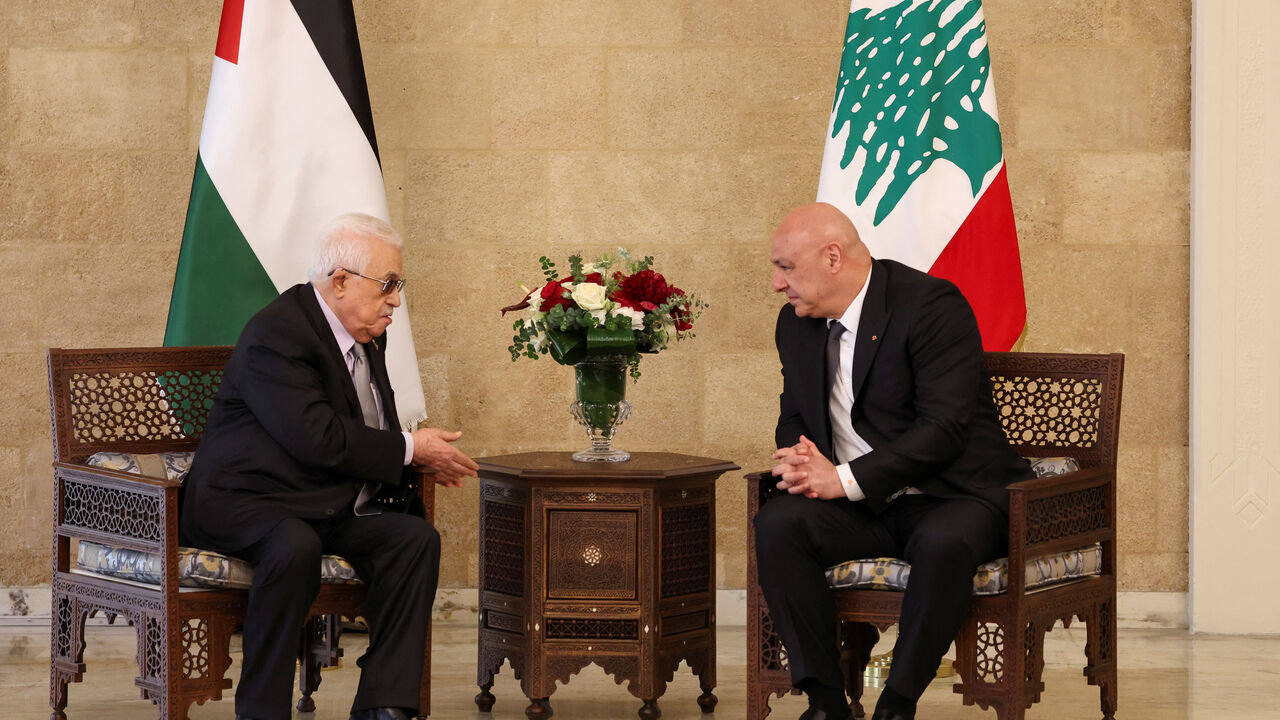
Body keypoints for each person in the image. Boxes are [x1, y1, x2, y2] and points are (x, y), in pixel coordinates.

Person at [180, 213, 479, 720]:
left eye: (398, 285)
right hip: (247, 501)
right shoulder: (278, 333)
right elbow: (316, 437)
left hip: (319, 501)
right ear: (340, 281)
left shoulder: (365, 335)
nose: (396, 301)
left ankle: (385, 703)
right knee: (295, 545)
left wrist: (413, 460)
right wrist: (411, 449)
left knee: (414, 540)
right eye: (388, 285)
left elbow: (368, 425)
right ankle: (263, 710)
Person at [754, 203, 1033, 720]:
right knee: (777, 522)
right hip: (868, 507)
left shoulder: (930, 306)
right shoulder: (797, 324)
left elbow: (943, 430)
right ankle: (824, 701)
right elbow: (794, 413)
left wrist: (842, 479)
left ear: (833, 257)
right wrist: (798, 456)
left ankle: (897, 704)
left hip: (954, 492)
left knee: (943, 540)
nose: (776, 283)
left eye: (786, 267)